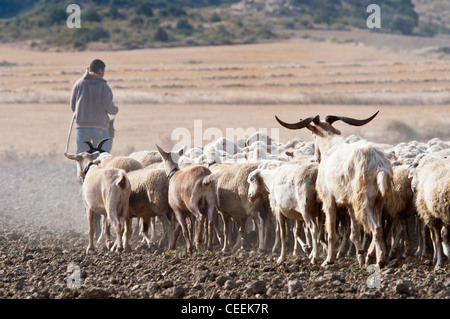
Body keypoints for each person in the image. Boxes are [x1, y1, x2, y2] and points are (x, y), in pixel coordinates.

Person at [70, 59, 118, 154]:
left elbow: (73, 105)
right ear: (100, 70)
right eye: (103, 71)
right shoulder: (104, 86)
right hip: (100, 126)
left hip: (82, 126)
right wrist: (115, 110)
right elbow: (109, 106)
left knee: (82, 157)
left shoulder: (78, 84)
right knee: (102, 157)